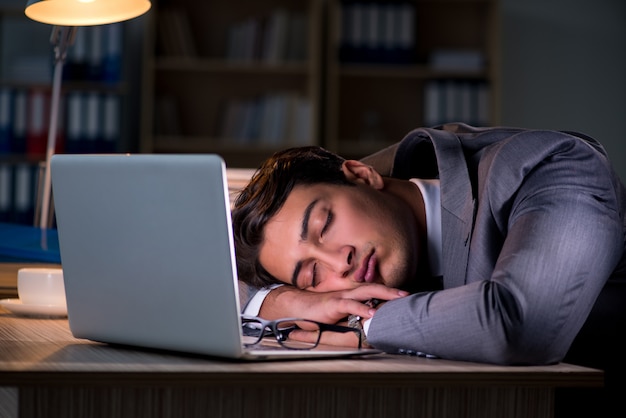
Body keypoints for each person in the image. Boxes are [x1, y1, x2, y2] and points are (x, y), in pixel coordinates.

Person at [232, 123, 626, 367]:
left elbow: (522, 324)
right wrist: (275, 301)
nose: (339, 263)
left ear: (362, 175)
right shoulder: (375, 225)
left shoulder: (548, 166)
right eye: (312, 274)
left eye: (325, 224)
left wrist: (365, 325)